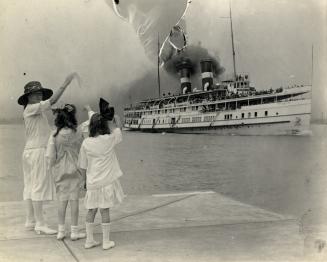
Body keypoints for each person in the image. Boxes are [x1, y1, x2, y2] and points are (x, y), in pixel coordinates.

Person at [17, 73, 76, 235]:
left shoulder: (34, 111)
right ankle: (40, 224)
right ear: (28, 97)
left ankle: (31, 220)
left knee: (30, 186)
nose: (39, 95)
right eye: (35, 93)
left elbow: (53, 109)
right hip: (37, 152)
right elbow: (53, 101)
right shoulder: (32, 108)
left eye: (40, 93)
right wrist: (65, 83)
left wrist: (64, 110)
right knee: (38, 185)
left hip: (29, 152)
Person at [78, 98, 125, 250]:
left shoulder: (86, 143)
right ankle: (106, 242)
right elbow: (118, 127)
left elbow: (83, 165)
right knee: (105, 210)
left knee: (91, 210)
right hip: (106, 183)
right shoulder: (109, 139)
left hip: (92, 182)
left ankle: (89, 240)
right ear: (104, 125)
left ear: (91, 126)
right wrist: (115, 119)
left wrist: (83, 181)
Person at [46, 104, 86, 241]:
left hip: (60, 171)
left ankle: (61, 231)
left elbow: (50, 156)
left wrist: (51, 168)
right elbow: (83, 150)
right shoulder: (78, 133)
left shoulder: (54, 135)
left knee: (62, 201)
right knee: (74, 201)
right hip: (76, 170)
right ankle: (74, 232)